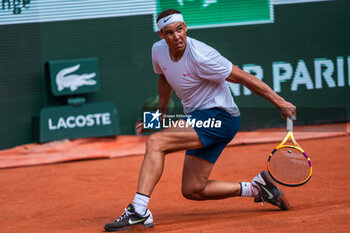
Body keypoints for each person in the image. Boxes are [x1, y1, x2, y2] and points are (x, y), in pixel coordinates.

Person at [104, 9, 296, 232]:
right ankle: (257, 189)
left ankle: (139, 211)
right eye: (169, 32)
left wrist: (280, 102)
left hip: (220, 116)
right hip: (198, 117)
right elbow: (165, 79)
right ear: (161, 35)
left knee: (156, 143)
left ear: (185, 27)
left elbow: (246, 78)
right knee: (193, 189)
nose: (176, 37)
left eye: (179, 29)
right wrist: (160, 116)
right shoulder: (158, 51)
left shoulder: (203, 56)